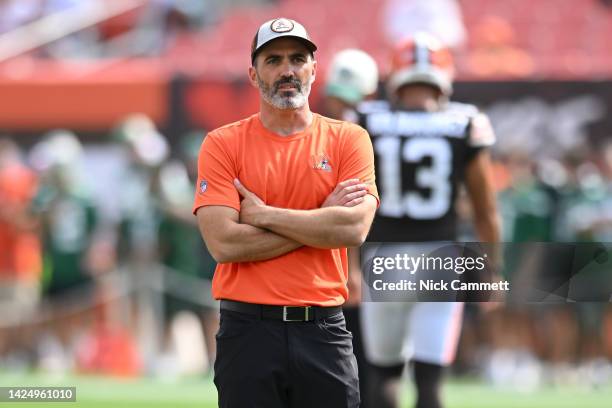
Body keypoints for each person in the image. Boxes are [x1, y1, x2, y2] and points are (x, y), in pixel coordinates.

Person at [193, 17, 379, 408]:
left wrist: (262, 215)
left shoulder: (349, 138)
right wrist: (319, 219)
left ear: (313, 68)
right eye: (273, 60)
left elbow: (353, 228)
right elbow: (224, 243)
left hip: (324, 327)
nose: (287, 70)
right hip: (248, 330)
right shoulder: (222, 144)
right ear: (253, 73)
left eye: (297, 58)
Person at [357, 33, 500, 408]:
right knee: (430, 378)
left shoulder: (367, 119)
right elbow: (485, 208)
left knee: (385, 373)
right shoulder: (464, 121)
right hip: (441, 256)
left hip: (383, 256)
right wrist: (492, 267)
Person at [321, 48, 380, 408]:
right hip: (342, 262)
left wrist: (354, 268)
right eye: (338, 100)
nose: (343, 107)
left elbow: (355, 210)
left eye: (349, 100)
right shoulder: (326, 134)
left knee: (371, 361)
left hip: (370, 256)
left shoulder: (362, 136)